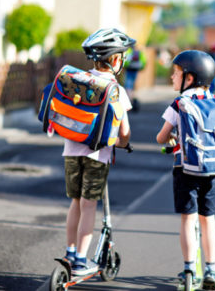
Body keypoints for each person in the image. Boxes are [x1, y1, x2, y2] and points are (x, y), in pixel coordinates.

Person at [62, 28, 133, 276]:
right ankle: (81, 260)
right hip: (97, 155)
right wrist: (124, 144)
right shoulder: (116, 90)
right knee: (89, 205)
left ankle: (70, 252)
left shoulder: (78, 81)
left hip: (70, 151)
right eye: (122, 56)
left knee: (75, 203)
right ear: (115, 60)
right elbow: (124, 132)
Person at [156, 50, 215, 290]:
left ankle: (189, 268)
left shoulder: (180, 103)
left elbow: (161, 137)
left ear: (189, 78)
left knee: (188, 218)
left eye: (176, 74)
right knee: (208, 219)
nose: (172, 78)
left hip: (186, 168)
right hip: (212, 168)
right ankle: (211, 269)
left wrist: (173, 137)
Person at [123, 44, 146, 112]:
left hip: (129, 70)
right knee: (132, 85)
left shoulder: (129, 52)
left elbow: (126, 61)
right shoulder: (139, 52)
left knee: (128, 86)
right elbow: (143, 61)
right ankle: (132, 99)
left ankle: (129, 101)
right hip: (135, 70)